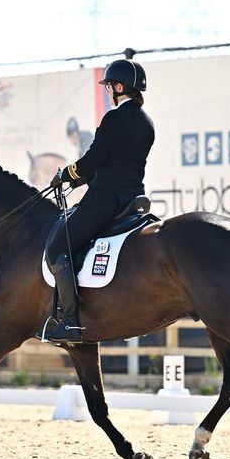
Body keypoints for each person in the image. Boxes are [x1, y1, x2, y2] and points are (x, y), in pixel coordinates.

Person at [44, 59, 154, 344]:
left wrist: (66, 175)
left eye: (109, 87)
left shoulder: (115, 119)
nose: (108, 92)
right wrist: (80, 179)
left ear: (119, 87)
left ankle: (69, 321)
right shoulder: (146, 122)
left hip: (105, 201)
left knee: (57, 248)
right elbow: (114, 163)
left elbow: (94, 159)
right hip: (133, 198)